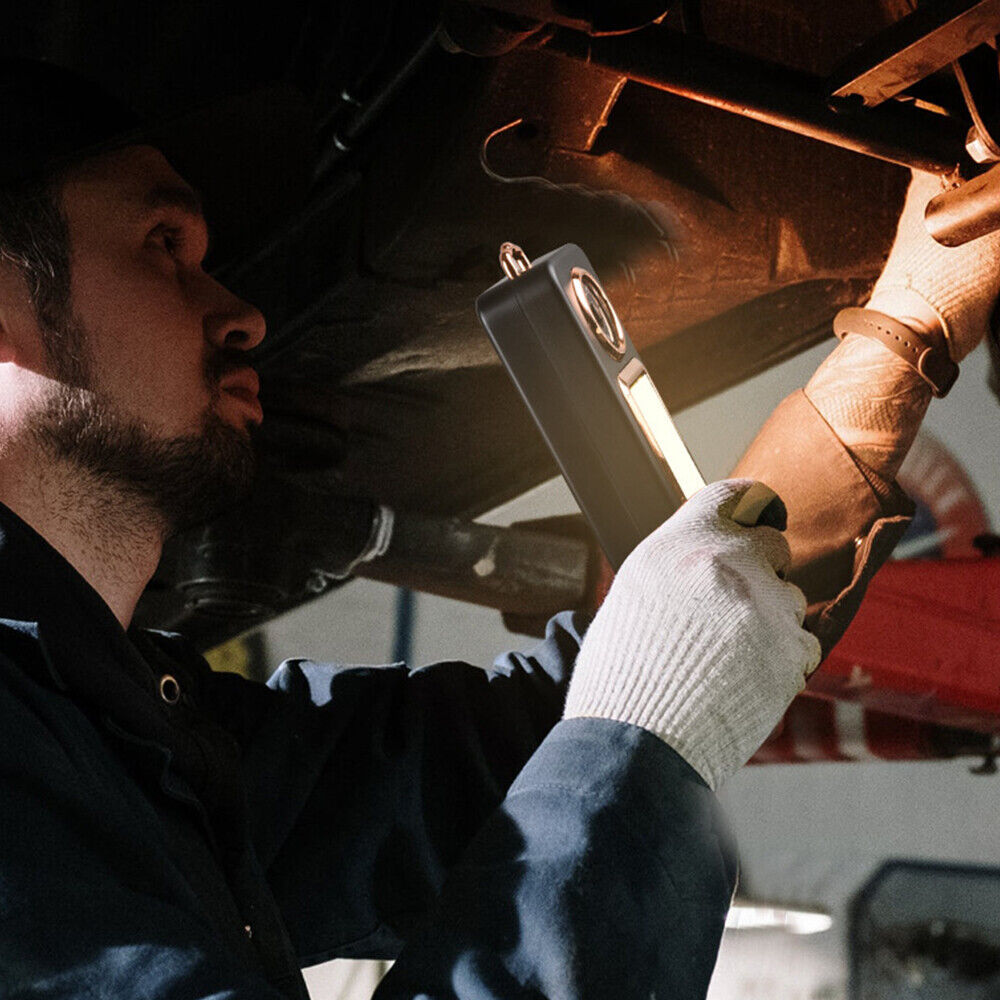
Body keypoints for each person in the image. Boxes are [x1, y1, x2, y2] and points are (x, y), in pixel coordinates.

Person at [0, 57, 995, 999]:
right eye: (162, 246)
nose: (242, 314)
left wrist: (907, 327)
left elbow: (532, 755)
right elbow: (621, 737)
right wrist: (646, 733)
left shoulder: (121, 735)